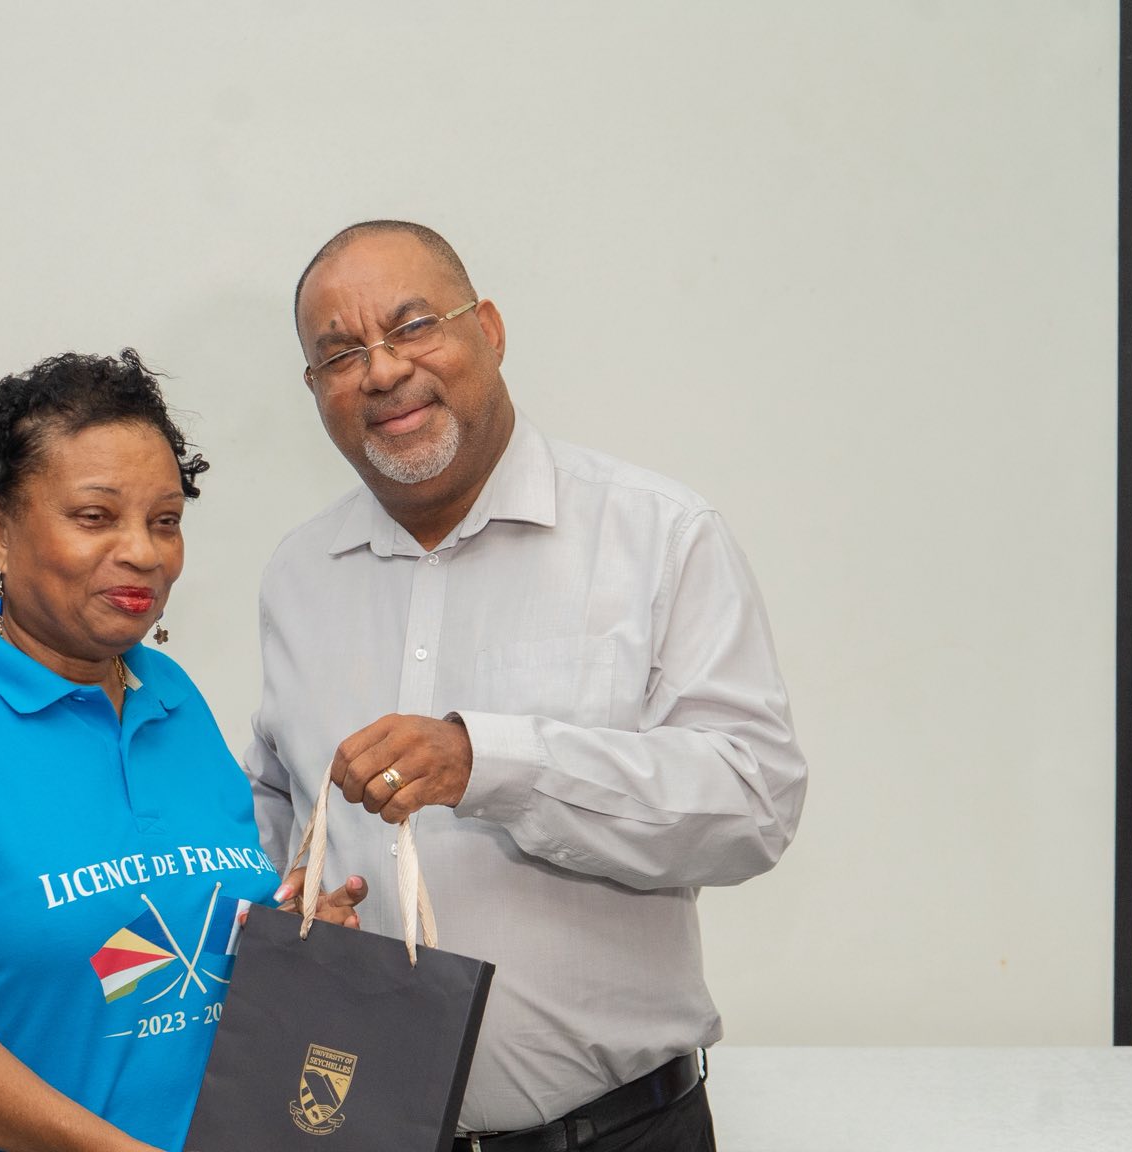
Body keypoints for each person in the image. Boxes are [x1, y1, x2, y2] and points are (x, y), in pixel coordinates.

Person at [247, 221, 807, 1151]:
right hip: (359, 1127)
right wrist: (283, 897)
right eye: (340, 354)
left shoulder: (658, 536)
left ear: (491, 330)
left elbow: (754, 806)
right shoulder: (299, 574)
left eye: (413, 326)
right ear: (316, 391)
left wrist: (492, 764)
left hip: (620, 1134)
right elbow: (279, 794)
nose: (382, 371)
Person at [0, 349, 366, 1152]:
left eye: (165, 520)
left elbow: (172, 949)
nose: (143, 551)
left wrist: (285, 944)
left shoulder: (172, 697)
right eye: (96, 516)